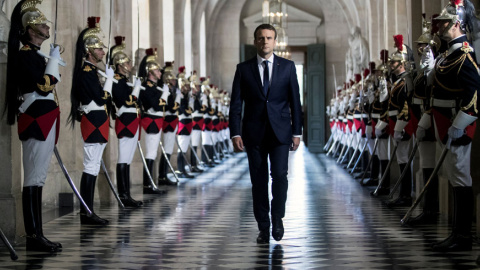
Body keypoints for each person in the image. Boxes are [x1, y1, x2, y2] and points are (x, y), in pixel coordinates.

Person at [229, 23, 302, 244]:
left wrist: (297, 132)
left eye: (269, 38)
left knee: (280, 176)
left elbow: (295, 103)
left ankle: (277, 217)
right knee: (258, 181)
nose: (265, 41)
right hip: (253, 133)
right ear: (255, 41)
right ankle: (263, 226)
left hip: (281, 133)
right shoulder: (243, 69)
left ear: (275, 41)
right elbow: (235, 105)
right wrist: (235, 133)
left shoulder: (288, 67)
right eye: (261, 38)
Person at [5, 0, 63, 252]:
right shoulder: (25, 55)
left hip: (46, 119)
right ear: (30, 29)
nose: (46, 26)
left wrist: (50, 60)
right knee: (32, 179)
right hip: (36, 120)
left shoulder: (37, 55)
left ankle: (38, 233)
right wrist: (53, 63)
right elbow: (43, 86)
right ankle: (32, 235)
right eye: (41, 23)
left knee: (38, 179)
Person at [423, 0, 480, 251]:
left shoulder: (465, 54)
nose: (439, 28)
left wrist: (461, 122)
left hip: (456, 122)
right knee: (455, 176)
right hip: (443, 121)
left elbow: (475, 91)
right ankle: (457, 233)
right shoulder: (449, 55)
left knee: (460, 176)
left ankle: (463, 235)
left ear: (456, 23)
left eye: (444, 23)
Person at [69, 17, 112, 226]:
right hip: (93, 120)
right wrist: (109, 84)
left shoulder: (93, 71)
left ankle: (88, 211)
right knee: (90, 166)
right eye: (100, 49)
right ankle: (87, 212)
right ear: (89, 51)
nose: (103, 52)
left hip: (98, 121)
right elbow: (100, 97)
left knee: (93, 166)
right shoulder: (87, 71)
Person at [109, 36, 144, 205]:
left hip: (132, 120)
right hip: (125, 121)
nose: (130, 66)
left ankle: (127, 194)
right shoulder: (117, 81)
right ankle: (123, 194)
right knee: (123, 157)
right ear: (121, 65)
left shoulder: (124, 81)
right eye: (128, 63)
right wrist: (136, 89)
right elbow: (126, 100)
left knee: (128, 158)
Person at [138, 48, 170, 193]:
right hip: (151, 120)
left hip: (156, 120)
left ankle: (150, 183)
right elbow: (156, 105)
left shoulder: (155, 87)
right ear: (150, 73)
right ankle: (147, 185)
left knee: (153, 153)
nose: (160, 73)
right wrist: (164, 95)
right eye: (157, 71)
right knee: (150, 153)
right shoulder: (147, 87)